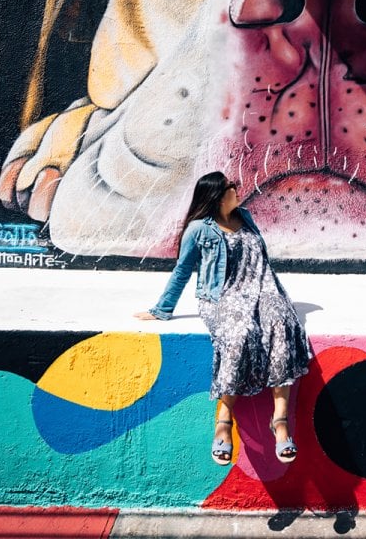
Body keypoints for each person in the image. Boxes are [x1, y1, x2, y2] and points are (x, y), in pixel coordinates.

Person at [134, 171, 312, 466]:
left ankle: (280, 421)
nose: (237, 188)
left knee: (281, 326)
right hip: (222, 297)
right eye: (231, 186)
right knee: (240, 333)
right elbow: (182, 270)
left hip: (263, 288)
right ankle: (224, 419)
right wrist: (161, 309)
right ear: (217, 195)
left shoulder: (246, 217)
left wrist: (269, 296)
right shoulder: (198, 229)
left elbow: (259, 260)